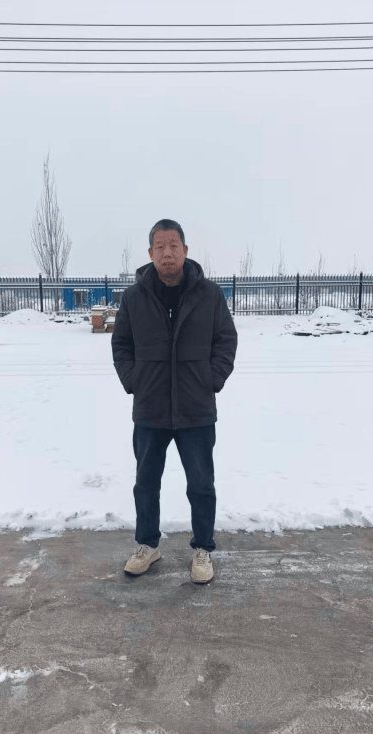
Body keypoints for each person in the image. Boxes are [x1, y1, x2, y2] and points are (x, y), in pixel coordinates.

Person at [111, 219, 237, 583]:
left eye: (174, 246)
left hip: (196, 408)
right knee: (146, 482)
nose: (167, 253)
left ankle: (203, 549)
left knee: (201, 483)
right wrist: (134, 381)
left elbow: (226, 340)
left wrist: (211, 379)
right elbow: (121, 344)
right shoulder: (134, 298)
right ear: (150, 253)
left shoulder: (209, 294)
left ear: (185, 250)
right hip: (150, 408)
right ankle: (147, 545)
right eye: (160, 247)